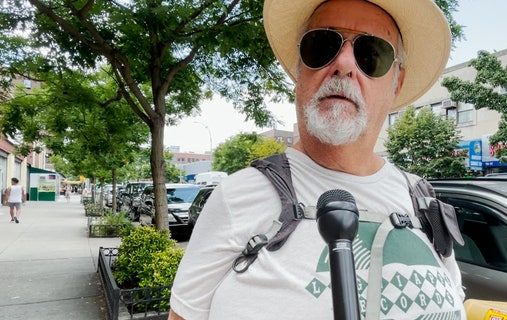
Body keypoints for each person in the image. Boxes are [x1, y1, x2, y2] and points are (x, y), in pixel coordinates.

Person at [169, 0, 465, 319]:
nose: (344, 63)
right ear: (299, 70)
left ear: (398, 83)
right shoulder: (235, 197)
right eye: (322, 44)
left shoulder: (420, 198)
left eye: (371, 54)